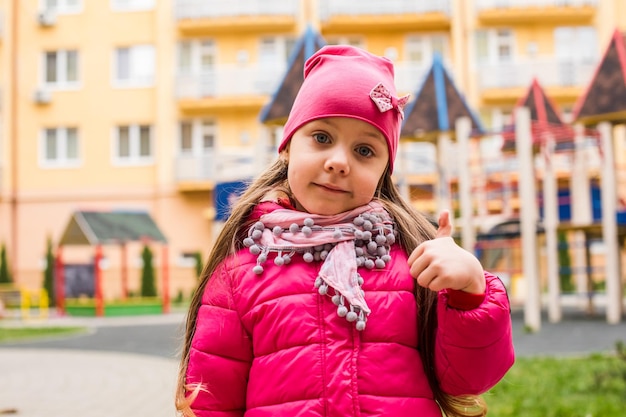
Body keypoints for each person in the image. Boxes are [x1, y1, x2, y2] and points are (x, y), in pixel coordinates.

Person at [175, 45, 514, 417]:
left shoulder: (415, 263)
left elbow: (468, 380)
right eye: (321, 137)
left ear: (384, 171)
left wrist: (469, 291)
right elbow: (210, 402)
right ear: (287, 148)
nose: (338, 162)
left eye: (364, 151)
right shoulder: (239, 276)